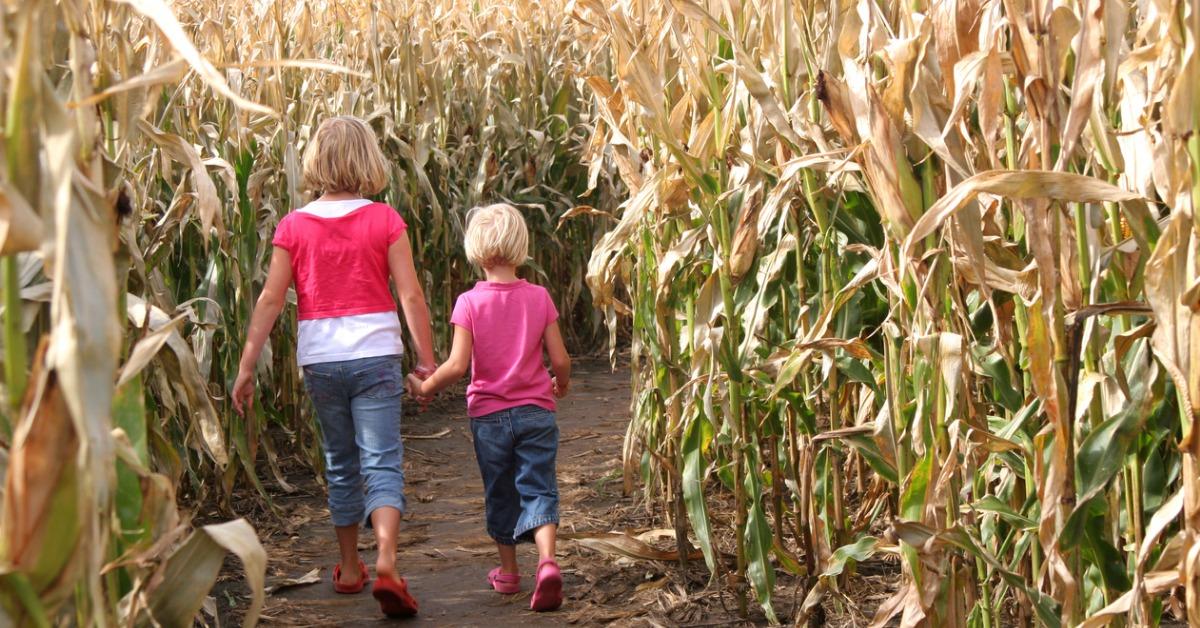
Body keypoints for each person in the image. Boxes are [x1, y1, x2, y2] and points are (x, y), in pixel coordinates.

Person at [231, 115, 434, 618]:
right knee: (381, 459)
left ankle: (348, 568)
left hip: (321, 360)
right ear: (368, 159)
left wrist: (246, 366)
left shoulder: (294, 225)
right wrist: (428, 360)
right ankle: (386, 559)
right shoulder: (385, 219)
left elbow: (270, 301)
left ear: (316, 162)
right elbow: (409, 294)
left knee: (341, 462)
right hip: (376, 355)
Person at [406, 203, 570, 612]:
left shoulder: (468, 303)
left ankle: (510, 573)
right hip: (536, 411)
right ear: (521, 248)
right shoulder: (539, 297)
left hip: (489, 417)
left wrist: (426, 386)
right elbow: (561, 359)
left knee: (500, 492)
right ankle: (547, 563)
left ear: (475, 250)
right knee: (539, 487)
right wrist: (560, 383)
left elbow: (458, 366)